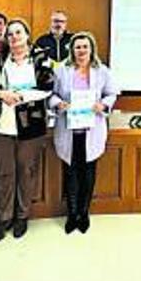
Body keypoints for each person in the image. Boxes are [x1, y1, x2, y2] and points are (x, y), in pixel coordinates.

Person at [0, 19, 54, 243]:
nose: (14, 37)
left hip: (31, 125)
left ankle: (22, 216)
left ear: (27, 36)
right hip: (3, 125)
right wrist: (0, 95)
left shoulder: (41, 60)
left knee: (26, 171)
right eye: (10, 34)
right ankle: (4, 218)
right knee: (5, 172)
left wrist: (21, 97)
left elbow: (47, 87)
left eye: (18, 33)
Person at [49, 32, 119, 234]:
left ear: (91, 49)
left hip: (92, 130)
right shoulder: (62, 70)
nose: (81, 51)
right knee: (70, 173)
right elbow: (51, 94)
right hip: (68, 129)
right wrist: (58, 103)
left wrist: (103, 105)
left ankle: (84, 213)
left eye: (85, 47)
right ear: (72, 49)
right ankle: (71, 214)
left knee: (88, 173)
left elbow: (112, 94)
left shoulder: (102, 71)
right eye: (77, 47)